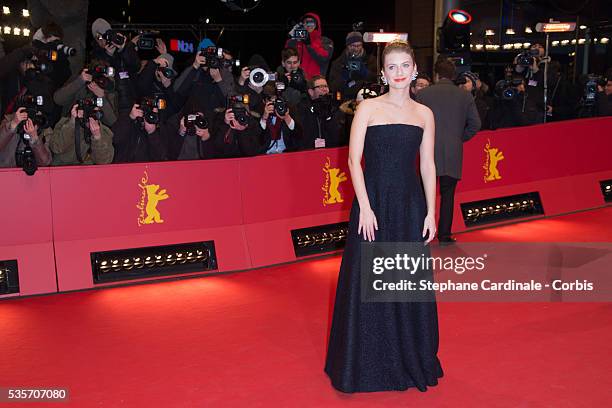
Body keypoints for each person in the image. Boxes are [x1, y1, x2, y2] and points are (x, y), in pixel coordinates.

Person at [325, 40, 442, 393]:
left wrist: (431, 211)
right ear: (383, 73)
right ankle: (366, 364)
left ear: (415, 69)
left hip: (409, 207)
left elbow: (427, 164)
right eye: (392, 67)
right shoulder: (368, 109)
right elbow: (352, 161)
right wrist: (365, 205)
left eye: (405, 65)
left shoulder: (425, 114)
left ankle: (408, 357)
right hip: (373, 203)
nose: (400, 73)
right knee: (368, 281)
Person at [417, 58, 481, 244]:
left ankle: (421, 233)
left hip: (428, 151)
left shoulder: (424, 95)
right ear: (454, 75)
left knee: (423, 193)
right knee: (448, 195)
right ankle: (444, 235)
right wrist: (459, 138)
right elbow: (476, 124)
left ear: (436, 75)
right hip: (453, 152)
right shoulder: (465, 96)